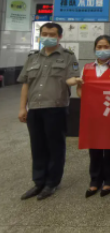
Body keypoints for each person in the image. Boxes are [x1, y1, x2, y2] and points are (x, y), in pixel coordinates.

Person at [19, 23, 81, 201]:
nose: (48, 37)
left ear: (59, 37)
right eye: (44, 34)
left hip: (56, 108)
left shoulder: (68, 56)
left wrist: (76, 81)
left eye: (52, 34)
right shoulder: (32, 57)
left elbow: (70, 78)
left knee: (55, 147)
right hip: (35, 109)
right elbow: (26, 84)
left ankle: (52, 182)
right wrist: (22, 107)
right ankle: (38, 182)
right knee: (37, 146)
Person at [77, 35, 110, 198]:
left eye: (106, 47)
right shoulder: (87, 68)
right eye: (99, 47)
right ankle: (95, 179)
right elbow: (80, 91)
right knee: (94, 148)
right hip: (92, 114)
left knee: (109, 148)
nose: (102, 50)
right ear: (95, 49)